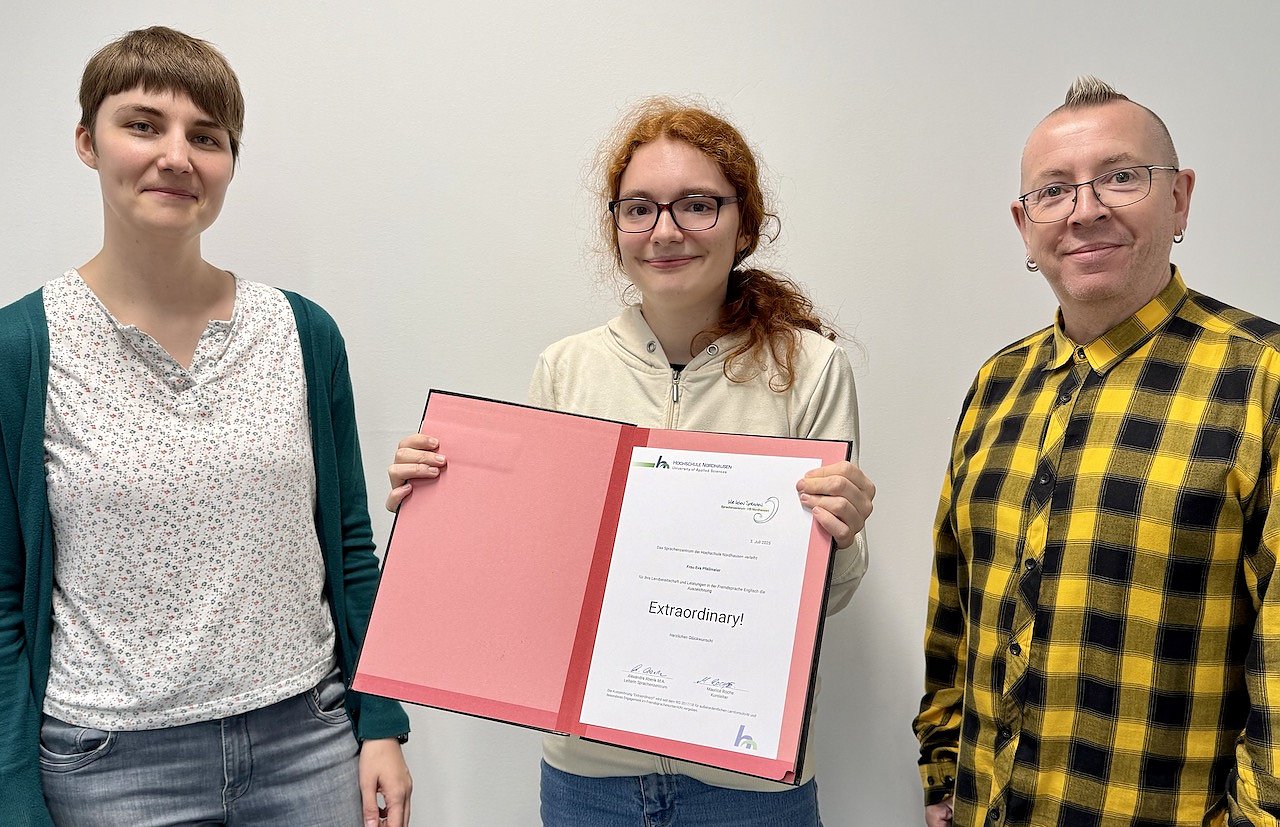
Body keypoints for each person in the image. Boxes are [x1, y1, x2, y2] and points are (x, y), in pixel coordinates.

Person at [388, 99, 874, 825]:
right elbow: (536, 572)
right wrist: (444, 511)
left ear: (744, 223)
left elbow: (828, 598)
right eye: (639, 209)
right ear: (616, 229)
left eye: (697, 205)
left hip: (749, 783)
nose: (665, 231)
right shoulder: (566, 369)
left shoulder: (810, 368)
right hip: (590, 779)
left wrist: (844, 535)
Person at [0, 27, 411, 826]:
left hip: (308, 742)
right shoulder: (24, 348)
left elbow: (349, 548)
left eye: (207, 137)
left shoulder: (301, 333)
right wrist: (14, 794)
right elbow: (3, 600)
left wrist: (382, 721)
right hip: (109, 769)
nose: (177, 156)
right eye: (143, 125)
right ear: (87, 142)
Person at [914, 76, 1280, 826]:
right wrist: (944, 772)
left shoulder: (1262, 379)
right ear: (1025, 225)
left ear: (1179, 198)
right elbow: (955, 600)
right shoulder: (998, 383)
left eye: (1120, 177)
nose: (1084, 211)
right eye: (1054, 191)